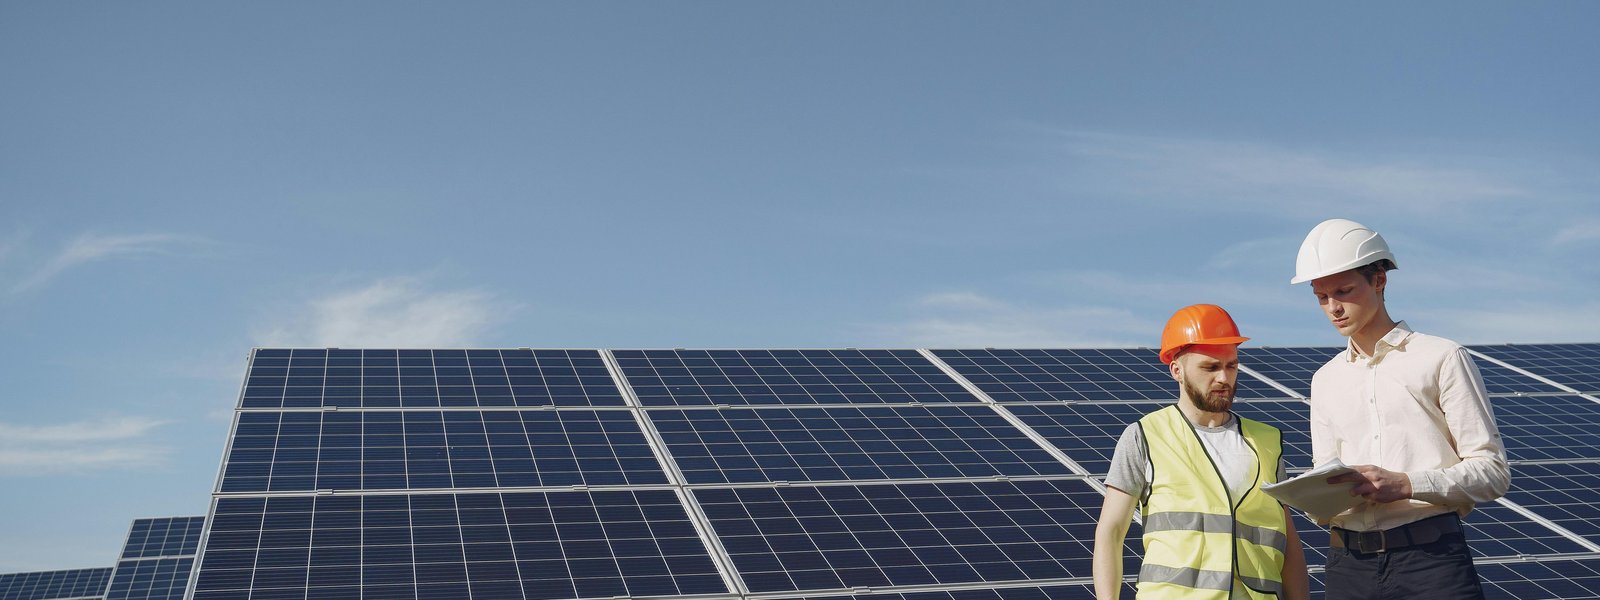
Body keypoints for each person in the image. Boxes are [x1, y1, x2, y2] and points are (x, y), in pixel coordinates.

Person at [1291, 218, 1510, 599]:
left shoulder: (1441, 357)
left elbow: (1492, 473)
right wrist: (1317, 497)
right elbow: (1325, 480)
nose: (1333, 308)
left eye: (1343, 291)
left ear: (1379, 281)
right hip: (1348, 569)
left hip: (1431, 563)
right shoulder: (1324, 380)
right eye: (1321, 297)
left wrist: (1406, 484)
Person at [1093, 304, 1309, 600]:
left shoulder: (1267, 442)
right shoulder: (1145, 436)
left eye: (1231, 366)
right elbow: (1111, 533)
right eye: (1210, 367)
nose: (1224, 377)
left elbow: (1288, 541)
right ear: (1177, 370)